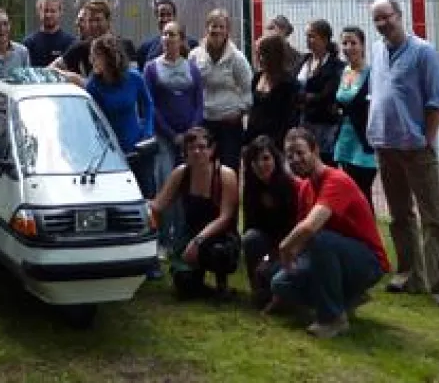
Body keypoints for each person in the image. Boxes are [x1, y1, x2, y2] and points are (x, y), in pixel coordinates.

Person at [368, 0, 439, 314]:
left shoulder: (424, 52)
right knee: (400, 214)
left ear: (400, 15)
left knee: (433, 218)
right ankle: (410, 274)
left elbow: (438, 101)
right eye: (377, 19)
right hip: (385, 144)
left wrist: (427, 139)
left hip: (415, 147)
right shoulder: (377, 51)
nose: (382, 24)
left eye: (386, 17)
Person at [271, 128, 390, 339]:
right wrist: (286, 263)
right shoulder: (306, 187)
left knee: (320, 238)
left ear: (315, 150)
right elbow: (302, 238)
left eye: (300, 152)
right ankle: (346, 299)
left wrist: (284, 247)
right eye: (289, 156)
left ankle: (333, 319)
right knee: (280, 282)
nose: (295, 159)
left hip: (367, 261)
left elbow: (309, 227)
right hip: (330, 256)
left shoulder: (336, 180)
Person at [149, 127, 240, 300]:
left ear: (212, 149)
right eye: (191, 148)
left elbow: (225, 217)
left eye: (202, 147)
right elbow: (158, 205)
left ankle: (222, 285)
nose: (197, 152)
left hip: (219, 235)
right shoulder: (181, 173)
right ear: (185, 152)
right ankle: (199, 283)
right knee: (184, 284)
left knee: (219, 253)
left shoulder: (225, 175)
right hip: (189, 233)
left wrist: (198, 241)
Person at [143, 20, 203, 256]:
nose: (168, 38)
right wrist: (171, 134)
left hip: (189, 138)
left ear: (182, 40)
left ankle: (183, 236)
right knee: (166, 184)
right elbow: (151, 105)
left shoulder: (192, 68)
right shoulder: (151, 68)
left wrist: (191, 133)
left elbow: (199, 103)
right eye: (165, 34)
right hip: (164, 137)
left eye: (173, 34)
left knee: (188, 186)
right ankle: (165, 238)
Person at [239, 135, 313, 307]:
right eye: (255, 160)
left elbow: (296, 230)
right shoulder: (251, 188)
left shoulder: (291, 186)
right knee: (250, 238)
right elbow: (250, 226)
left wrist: (269, 258)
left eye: (266, 158)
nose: (261, 164)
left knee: (272, 270)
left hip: (292, 246)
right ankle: (259, 291)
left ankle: (280, 293)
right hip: (267, 244)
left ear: (275, 159)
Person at [188, 9, 251, 171]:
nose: (217, 30)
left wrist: (239, 112)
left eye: (221, 26)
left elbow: (248, 90)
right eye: (213, 26)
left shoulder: (237, 58)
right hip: (204, 122)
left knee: (229, 169)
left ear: (227, 30)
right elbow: (190, 88)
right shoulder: (194, 56)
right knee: (202, 168)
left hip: (229, 124)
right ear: (206, 28)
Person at [85, 34, 154, 175]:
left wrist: (147, 131)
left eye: (96, 56)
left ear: (109, 57)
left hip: (137, 147)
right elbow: (92, 120)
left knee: (146, 186)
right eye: (92, 56)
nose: (92, 60)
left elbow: (148, 105)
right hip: (109, 151)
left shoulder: (134, 77)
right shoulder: (93, 85)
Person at [335, 26, 378, 209]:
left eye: (353, 43)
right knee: (350, 193)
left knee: (363, 193)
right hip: (344, 140)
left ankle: (369, 227)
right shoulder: (343, 72)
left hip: (364, 142)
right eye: (345, 43)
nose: (348, 47)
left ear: (362, 46)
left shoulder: (372, 74)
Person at [51, 0, 137, 85]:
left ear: (108, 20)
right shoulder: (80, 47)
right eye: (90, 20)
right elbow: (52, 69)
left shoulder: (125, 45)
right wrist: (69, 77)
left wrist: (83, 82)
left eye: (98, 20)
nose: (93, 24)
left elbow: (133, 81)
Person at [297, 19, 345, 166]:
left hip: (324, 124)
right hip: (303, 121)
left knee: (325, 162)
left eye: (312, 36)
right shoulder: (304, 60)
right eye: (306, 36)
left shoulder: (335, 65)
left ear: (324, 39)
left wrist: (303, 97)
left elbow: (327, 94)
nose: (308, 40)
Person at [244, 34, 299, 148]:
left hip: (275, 140)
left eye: (262, 55)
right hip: (254, 138)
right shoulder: (257, 77)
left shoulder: (288, 83)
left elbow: (289, 119)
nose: (258, 59)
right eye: (257, 54)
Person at [135, 0, 197, 70]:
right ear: (157, 17)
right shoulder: (146, 47)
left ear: (174, 17)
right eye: (162, 15)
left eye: (169, 14)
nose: (165, 19)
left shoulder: (192, 44)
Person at [22, 0, 77, 67]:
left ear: (60, 13)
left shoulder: (70, 42)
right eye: (45, 10)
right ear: (39, 12)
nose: (48, 15)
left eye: (53, 11)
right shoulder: (29, 43)